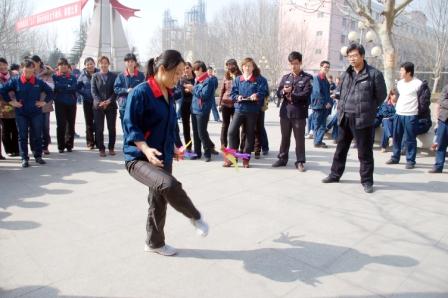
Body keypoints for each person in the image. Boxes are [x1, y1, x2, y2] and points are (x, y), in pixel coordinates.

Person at [123, 50, 208, 256]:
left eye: (181, 74)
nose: (179, 78)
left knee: (158, 200)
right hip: (139, 158)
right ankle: (195, 216)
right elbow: (130, 125)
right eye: (176, 73)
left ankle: (154, 243)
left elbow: (170, 127)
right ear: (162, 69)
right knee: (169, 185)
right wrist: (145, 149)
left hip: (162, 156)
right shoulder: (141, 92)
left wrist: (174, 148)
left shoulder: (169, 94)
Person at [322, 43, 387, 193]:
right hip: (345, 117)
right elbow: (341, 92)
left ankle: (367, 181)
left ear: (362, 56)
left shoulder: (374, 74)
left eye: (355, 56)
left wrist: (368, 108)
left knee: (364, 152)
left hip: (362, 119)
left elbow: (381, 96)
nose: (352, 59)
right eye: (349, 56)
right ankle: (335, 174)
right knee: (340, 149)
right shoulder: (346, 74)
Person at [0, 59, 53, 167]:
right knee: (22, 136)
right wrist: (11, 102)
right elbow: (2, 90)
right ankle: (24, 158)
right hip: (21, 113)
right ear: (21, 70)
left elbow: (50, 92)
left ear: (34, 70)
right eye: (26, 71)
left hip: (36, 113)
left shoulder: (39, 82)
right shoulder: (15, 81)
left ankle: (38, 156)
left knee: (37, 135)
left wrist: (44, 102)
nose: (29, 74)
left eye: (31, 71)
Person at [271, 51, 312, 172]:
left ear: (300, 63)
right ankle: (282, 158)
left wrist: (292, 93)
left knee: (299, 138)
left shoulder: (307, 78)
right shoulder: (285, 78)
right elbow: (278, 93)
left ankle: (300, 161)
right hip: (285, 113)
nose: (293, 66)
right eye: (291, 64)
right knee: (285, 137)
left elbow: (306, 94)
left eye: (296, 63)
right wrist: (283, 92)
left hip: (299, 113)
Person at [386, 62, 431, 169]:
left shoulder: (418, 84)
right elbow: (397, 96)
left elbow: (424, 101)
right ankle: (395, 157)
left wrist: (419, 112)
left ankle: (410, 160)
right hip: (399, 114)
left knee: (410, 139)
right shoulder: (400, 83)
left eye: (402, 70)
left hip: (411, 115)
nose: (400, 72)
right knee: (396, 137)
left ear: (409, 72)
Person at [226, 57, 268, 168]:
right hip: (239, 109)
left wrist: (257, 95)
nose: (247, 68)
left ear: (253, 67)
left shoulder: (259, 79)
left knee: (250, 135)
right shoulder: (238, 79)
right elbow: (233, 93)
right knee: (231, 131)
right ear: (242, 67)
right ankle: (232, 157)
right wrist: (237, 97)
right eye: (245, 66)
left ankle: (245, 158)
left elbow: (263, 91)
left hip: (252, 111)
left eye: (249, 65)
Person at [189, 61, 216, 162]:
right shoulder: (198, 80)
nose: (194, 72)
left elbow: (204, 95)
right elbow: (197, 93)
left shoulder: (208, 81)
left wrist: (193, 88)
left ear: (200, 69)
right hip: (194, 109)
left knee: (202, 132)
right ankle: (197, 153)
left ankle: (207, 153)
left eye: (195, 69)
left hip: (202, 110)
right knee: (195, 132)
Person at [91, 56, 118, 157]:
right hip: (98, 107)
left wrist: (109, 101)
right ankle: (101, 148)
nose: (104, 65)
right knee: (99, 128)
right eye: (101, 63)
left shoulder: (114, 76)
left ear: (108, 64)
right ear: (99, 64)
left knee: (112, 128)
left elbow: (116, 91)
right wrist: (100, 102)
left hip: (111, 106)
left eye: (105, 63)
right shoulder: (95, 76)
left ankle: (111, 148)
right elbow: (93, 91)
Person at [53, 58, 78, 153]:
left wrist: (62, 87)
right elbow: (56, 87)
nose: (63, 66)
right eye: (61, 64)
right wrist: (66, 86)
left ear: (68, 66)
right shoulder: (54, 77)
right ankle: (61, 146)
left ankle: (69, 145)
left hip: (71, 103)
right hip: (59, 103)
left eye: (65, 64)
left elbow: (73, 88)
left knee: (71, 124)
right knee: (61, 124)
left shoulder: (72, 77)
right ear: (58, 66)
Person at [114, 53, 145, 128]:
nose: (130, 63)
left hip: (137, 104)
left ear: (135, 62)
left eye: (132, 61)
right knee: (125, 126)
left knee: (136, 126)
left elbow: (144, 88)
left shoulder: (141, 75)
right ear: (125, 63)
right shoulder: (121, 76)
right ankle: (126, 139)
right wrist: (126, 90)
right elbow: (116, 89)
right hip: (124, 105)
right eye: (128, 61)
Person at [31, 55, 54, 155]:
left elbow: (51, 86)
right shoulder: (29, 72)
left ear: (39, 62)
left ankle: (45, 146)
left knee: (45, 126)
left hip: (45, 103)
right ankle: (35, 147)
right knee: (33, 127)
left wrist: (38, 83)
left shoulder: (47, 73)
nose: (32, 65)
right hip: (32, 104)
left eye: (34, 63)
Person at [219, 59, 241, 149]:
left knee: (235, 126)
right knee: (225, 124)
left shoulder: (240, 76)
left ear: (235, 65)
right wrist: (220, 103)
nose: (229, 67)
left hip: (236, 104)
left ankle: (236, 146)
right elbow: (222, 90)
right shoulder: (226, 76)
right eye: (227, 65)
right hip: (225, 103)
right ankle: (223, 145)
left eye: (231, 65)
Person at [77, 57, 99, 150]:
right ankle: (90, 143)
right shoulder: (82, 75)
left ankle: (99, 142)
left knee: (98, 123)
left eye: (91, 63)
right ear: (85, 66)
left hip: (98, 101)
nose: (90, 66)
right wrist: (84, 93)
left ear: (94, 64)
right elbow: (77, 87)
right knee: (89, 122)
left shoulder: (99, 73)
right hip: (87, 101)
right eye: (88, 64)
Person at [174, 62, 195, 152]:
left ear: (191, 68)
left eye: (187, 68)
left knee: (197, 128)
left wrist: (192, 89)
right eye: (184, 68)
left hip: (195, 105)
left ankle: (202, 147)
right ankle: (189, 147)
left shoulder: (196, 79)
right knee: (186, 127)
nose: (186, 70)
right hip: (184, 104)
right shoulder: (181, 79)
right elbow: (180, 92)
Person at [310, 60, 332, 148]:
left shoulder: (326, 80)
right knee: (317, 124)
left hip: (325, 106)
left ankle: (318, 141)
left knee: (323, 125)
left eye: (328, 67)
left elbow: (327, 93)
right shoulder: (316, 78)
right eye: (325, 67)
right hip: (318, 105)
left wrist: (329, 102)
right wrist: (325, 103)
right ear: (320, 67)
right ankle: (317, 141)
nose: (326, 68)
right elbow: (317, 92)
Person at [0, 57, 19, 158]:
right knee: (5, 129)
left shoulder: (14, 75)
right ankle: (9, 150)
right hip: (2, 106)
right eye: (0, 65)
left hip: (16, 104)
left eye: (4, 64)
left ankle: (16, 149)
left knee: (16, 128)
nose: (2, 67)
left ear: (7, 64)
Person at [428, 85, 448, 173]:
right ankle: (438, 166)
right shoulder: (446, 87)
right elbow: (442, 100)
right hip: (444, 119)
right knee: (441, 144)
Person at [375, 88, 398, 152]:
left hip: (396, 121)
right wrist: (393, 115)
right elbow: (385, 114)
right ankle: (390, 138)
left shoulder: (400, 104)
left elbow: (399, 114)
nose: (397, 97)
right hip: (389, 121)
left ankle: (384, 146)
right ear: (391, 95)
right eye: (396, 95)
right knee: (386, 121)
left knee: (386, 123)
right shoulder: (385, 104)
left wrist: (391, 117)